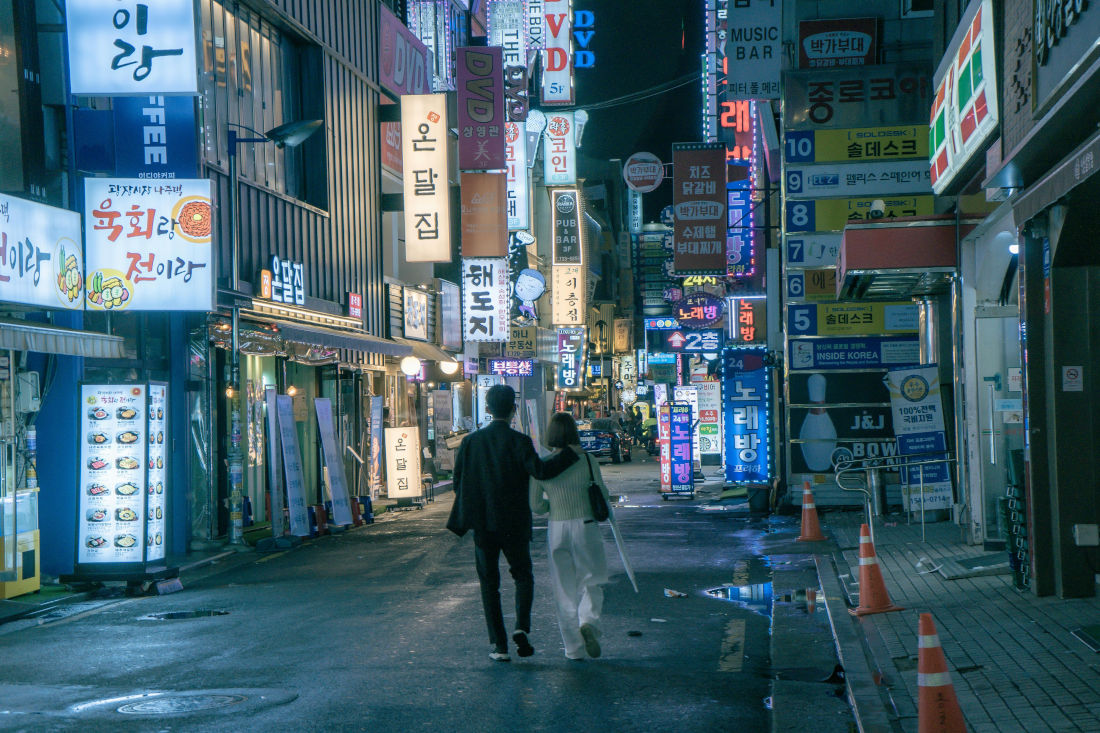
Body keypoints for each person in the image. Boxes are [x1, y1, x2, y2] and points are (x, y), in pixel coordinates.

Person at [447, 385, 580, 663]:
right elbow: (541, 471)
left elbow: (458, 483)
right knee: (522, 576)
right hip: (515, 523)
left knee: (489, 584)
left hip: (483, 524)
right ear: (513, 409)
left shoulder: (471, 443)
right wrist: (569, 454)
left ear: (487, 408)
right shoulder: (520, 441)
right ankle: (521, 626)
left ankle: (500, 646)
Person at [530, 412, 612, 661]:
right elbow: (603, 493)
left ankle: (573, 649)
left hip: (557, 528)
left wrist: (552, 509)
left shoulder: (541, 465)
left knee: (564, 590)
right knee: (593, 580)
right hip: (585, 525)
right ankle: (588, 622)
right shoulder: (587, 461)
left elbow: (535, 505)